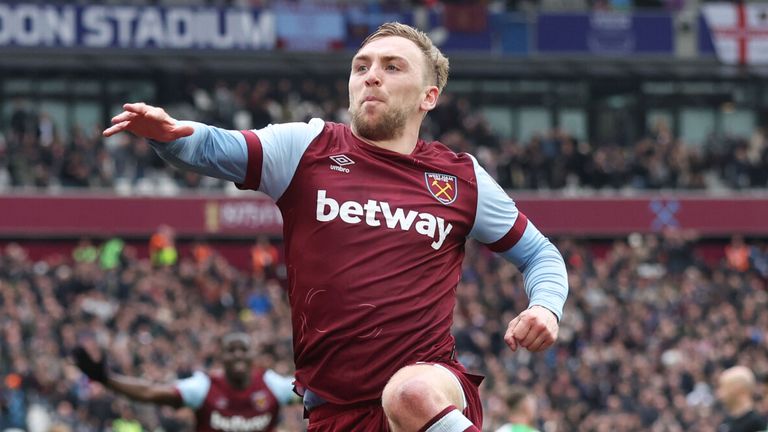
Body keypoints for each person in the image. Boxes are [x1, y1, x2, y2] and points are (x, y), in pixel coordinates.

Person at [102, 22, 569, 432]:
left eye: (392, 67)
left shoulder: (459, 178)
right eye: (361, 66)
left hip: (429, 390)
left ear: (429, 96)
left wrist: (545, 308)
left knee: (407, 395)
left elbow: (540, 254)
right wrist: (170, 133)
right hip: (332, 412)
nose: (371, 76)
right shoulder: (308, 148)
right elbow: (217, 147)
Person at [72, 332, 296, 432]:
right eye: (231, 350)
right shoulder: (204, 386)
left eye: (243, 350)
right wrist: (106, 379)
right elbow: (150, 392)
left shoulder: (273, 385)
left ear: (252, 356)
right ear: (221, 357)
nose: (237, 355)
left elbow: (314, 390)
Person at [715, 366, 767, 432]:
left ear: (738, 389)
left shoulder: (757, 423)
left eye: (724, 387)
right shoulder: (726, 421)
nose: (719, 393)